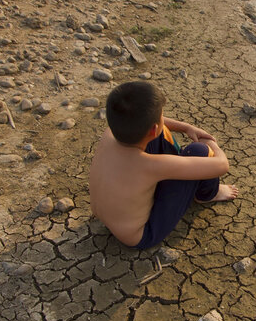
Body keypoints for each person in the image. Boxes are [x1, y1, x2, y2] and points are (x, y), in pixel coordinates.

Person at [89, 81, 238, 249]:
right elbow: (222, 165)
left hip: (109, 217)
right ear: (153, 128)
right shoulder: (151, 166)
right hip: (142, 234)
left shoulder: (110, 133)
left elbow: (151, 123)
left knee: (156, 133)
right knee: (199, 151)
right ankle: (208, 194)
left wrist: (186, 128)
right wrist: (211, 143)